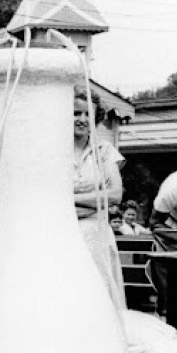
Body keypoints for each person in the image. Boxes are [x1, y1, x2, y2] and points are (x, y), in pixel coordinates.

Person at [72, 88, 126, 312]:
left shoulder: (104, 151)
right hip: (65, 233)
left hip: (96, 236)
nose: (82, 120)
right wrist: (95, 200)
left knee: (100, 300)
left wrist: (70, 198)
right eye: (76, 113)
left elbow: (115, 195)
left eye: (88, 115)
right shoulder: (53, 150)